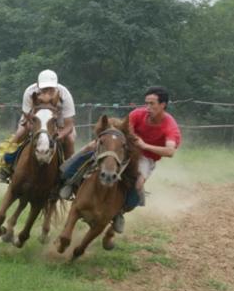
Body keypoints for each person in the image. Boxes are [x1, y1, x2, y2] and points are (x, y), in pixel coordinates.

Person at [59, 86, 181, 233]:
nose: (147, 107)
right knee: (89, 148)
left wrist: (145, 146)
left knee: (138, 184)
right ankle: (69, 181)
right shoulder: (137, 114)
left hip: (146, 157)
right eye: (146, 103)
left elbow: (170, 151)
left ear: (163, 105)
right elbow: (122, 131)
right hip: (125, 148)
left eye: (152, 104)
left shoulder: (170, 125)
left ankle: (119, 212)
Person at [0, 69, 76, 183]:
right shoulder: (29, 92)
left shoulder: (65, 94)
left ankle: (68, 172)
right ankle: (6, 166)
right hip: (34, 119)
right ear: (38, 85)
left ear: (56, 86)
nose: (47, 90)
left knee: (70, 139)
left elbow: (69, 124)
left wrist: (60, 134)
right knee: (20, 133)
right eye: (44, 88)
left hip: (60, 123)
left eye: (50, 88)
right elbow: (27, 115)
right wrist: (36, 128)